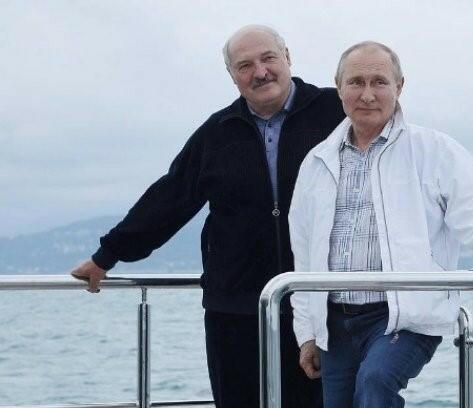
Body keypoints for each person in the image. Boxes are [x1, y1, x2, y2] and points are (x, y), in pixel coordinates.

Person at [70, 25, 345, 408]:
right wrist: (107, 254)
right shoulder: (218, 131)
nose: (260, 72)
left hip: (320, 304)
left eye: (268, 58)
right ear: (232, 75)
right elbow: (170, 198)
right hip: (235, 309)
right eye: (245, 65)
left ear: (287, 57)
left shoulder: (336, 111)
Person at [288, 41, 473, 408]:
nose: (367, 94)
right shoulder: (317, 162)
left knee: (376, 381)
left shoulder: (434, 150)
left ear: (399, 87)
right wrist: (307, 332)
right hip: (335, 322)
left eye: (379, 82)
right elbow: (304, 252)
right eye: (356, 82)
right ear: (339, 87)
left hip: (403, 315)